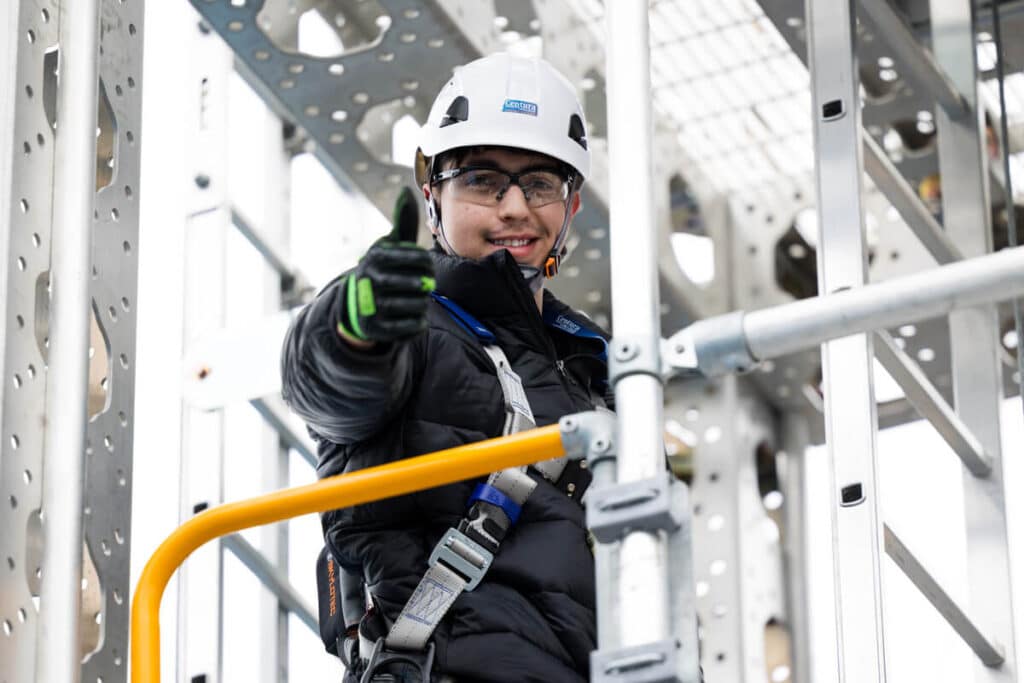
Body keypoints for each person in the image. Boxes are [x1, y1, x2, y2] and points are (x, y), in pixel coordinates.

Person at [281, 52, 611, 683]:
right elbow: (326, 381)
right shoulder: (414, 330)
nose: (515, 208)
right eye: (484, 180)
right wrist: (356, 327)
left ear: (569, 207)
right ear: (432, 195)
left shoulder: (597, 376)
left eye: (541, 184)